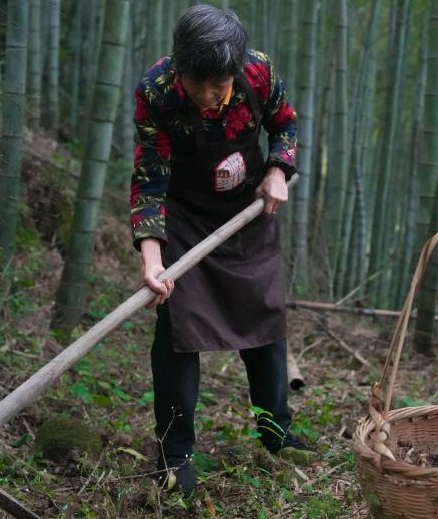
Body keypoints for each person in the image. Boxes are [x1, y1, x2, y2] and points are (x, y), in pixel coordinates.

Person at [129, 5, 311, 497]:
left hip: (247, 212)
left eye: (219, 85)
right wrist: (153, 259)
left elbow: (287, 128)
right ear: (179, 66)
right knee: (177, 331)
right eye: (198, 83)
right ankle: (175, 456)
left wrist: (277, 169)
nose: (209, 97)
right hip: (186, 218)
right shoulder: (157, 92)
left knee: (265, 317)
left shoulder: (258, 71)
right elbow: (150, 178)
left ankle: (276, 433)